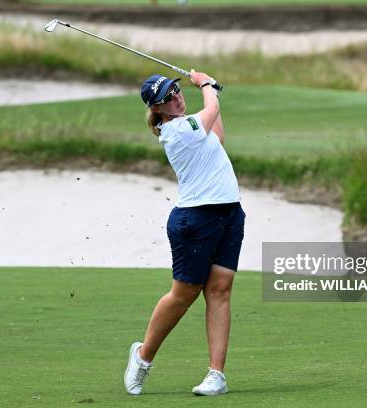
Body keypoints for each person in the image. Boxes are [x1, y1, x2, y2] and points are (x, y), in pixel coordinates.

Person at [124, 70, 245, 396]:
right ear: (158, 110)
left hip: (229, 213)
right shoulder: (175, 131)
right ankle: (143, 355)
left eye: (175, 90)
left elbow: (217, 136)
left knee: (220, 290)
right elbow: (210, 113)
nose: (176, 97)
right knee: (184, 295)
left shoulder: (193, 124)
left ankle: (216, 375)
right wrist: (206, 84)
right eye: (167, 97)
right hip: (195, 220)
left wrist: (212, 92)